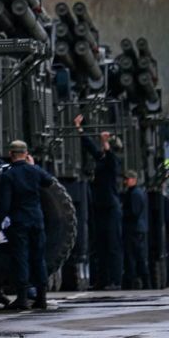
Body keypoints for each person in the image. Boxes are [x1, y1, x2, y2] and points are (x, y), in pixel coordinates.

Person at [0, 140, 54, 310]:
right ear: (26, 154)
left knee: (21, 258)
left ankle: (22, 298)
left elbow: (4, 204)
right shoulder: (34, 171)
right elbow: (49, 181)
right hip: (37, 220)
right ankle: (41, 298)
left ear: (11, 154)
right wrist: (34, 166)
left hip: (19, 222)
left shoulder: (9, 175)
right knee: (38, 258)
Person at [79, 114, 123, 290]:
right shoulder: (102, 159)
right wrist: (80, 129)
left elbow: (109, 156)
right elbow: (90, 147)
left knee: (112, 245)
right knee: (101, 245)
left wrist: (105, 141)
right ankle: (102, 280)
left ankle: (115, 281)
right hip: (101, 206)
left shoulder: (113, 161)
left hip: (111, 208)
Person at [121, 170, 150, 289]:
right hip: (137, 229)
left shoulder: (135, 194)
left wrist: (122, 213)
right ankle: (142, 282)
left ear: (134, 180)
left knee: (134, 256)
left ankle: (139, 282)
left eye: (127, 179)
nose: (125, 181)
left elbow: (134, 212)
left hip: (134, 229)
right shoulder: (136, 192)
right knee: (137, 256)